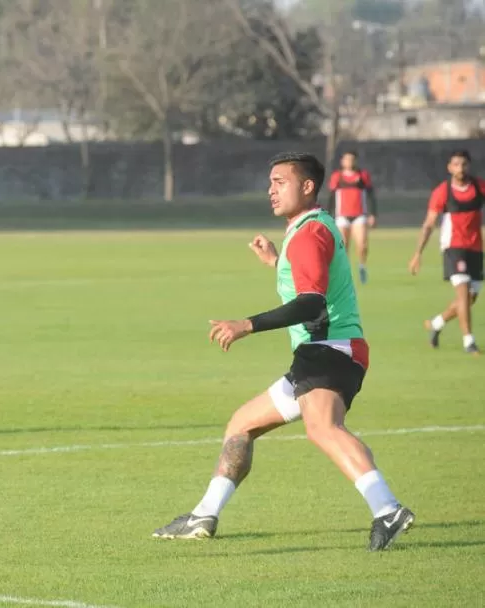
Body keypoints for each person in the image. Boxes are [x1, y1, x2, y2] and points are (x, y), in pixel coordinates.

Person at [153, 152, 414, 552]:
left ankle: (388, 508)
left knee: (323, 428)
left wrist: (247, 325)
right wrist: (277, 261)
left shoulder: (310, 232)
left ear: (307, 186)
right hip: (322, 351)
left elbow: (312, 302)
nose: (270, 190)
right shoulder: (310, 229)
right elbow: (308, 282)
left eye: (280, 182)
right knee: (241, 425)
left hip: (329, 349)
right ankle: (205, 514)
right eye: (270, 182)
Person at [410, 149, 483, 355]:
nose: (460, 168)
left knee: (469, 298)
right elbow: (429, 224)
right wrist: (418, 253)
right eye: (456, 164)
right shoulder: (443, 192)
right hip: (453, 247)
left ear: (469, 166)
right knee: (463, 291)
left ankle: (437, 323)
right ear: (450, 168)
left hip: (476, 248)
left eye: (464, 164)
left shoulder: (479, 187)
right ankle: (469, 341)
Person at [327, 151, 377, 284]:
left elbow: (371, 195)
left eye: (352, 159)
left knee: (362, 245)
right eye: (347, 159)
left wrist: (373, 214)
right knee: (344, 246)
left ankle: (362, 266)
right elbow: (331, 197)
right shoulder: (337, 177)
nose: (349, 162)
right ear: (342, 162)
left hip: (359, 215)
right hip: (342, 216)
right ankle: (345, 273)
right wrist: (328, 215)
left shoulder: (363, 175)